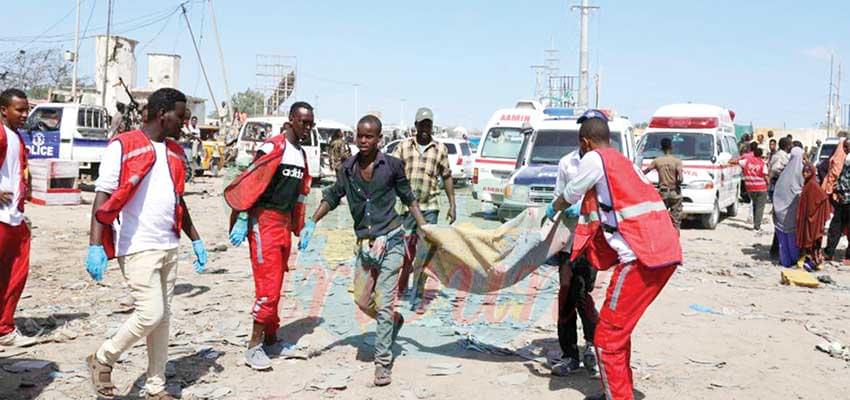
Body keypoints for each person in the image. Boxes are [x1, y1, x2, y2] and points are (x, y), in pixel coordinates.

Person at [544, 110, 681, 400]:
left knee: (606, 337)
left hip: (640, 260)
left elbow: (570, 193)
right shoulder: (622, 161)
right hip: (661, 254)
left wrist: (553, 208)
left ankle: (618, 396)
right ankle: (617, 390)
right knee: (619, 331)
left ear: (585, 142)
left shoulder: (594, 159)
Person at [85, 88, 208, 400]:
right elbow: (103, 196)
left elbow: (178, 200)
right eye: (180, 117)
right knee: (150, 313)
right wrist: (95, 245)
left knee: (163, 320)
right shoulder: (123, 146)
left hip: (168, 244)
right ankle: (104, 357)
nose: (184, 123)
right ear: (161, 114)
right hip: (137, 245)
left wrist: (195, 239)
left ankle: (155, 387)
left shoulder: (176, 152)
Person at [299, 115, 428, 387]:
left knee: (384, 302)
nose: (363, 141)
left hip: (392, 239)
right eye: (360, 135)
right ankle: (393, 321)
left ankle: (382, 363)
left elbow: (408, 198)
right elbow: (333, 195)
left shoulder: (392, 166)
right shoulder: (347, 168)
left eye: (369, 136)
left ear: (379, 139)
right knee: (361, 299)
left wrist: (424, 226)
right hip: (365, 245)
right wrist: (312, 220)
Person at [224, 102, 314, 370]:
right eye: (303, 122)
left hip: (283, 225)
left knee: (278, 284)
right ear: (291, 120)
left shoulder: (301, 155)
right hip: (263, 222)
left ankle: (272, 340)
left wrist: (300, 227)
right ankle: (253, 347)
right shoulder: (273, 147)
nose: (307, 127)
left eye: (311, 123)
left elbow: (299, 195)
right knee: (268, 286)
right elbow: (252, 183)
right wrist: (242, 217)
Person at [391, 107, 456, 296]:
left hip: (430, 207)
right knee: (406, 250)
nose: (425, 128)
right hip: (406, 207)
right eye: (422, 124)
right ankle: (402, 284)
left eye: (428, 124)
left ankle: (418, 290)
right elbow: (391, 171)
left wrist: (452, 204)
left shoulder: (440, 149)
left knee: (426, 251)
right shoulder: (403, 147)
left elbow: (447, 176)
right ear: (416, 126)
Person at [550, 149, 598, 377]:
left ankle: (592, 344)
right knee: (567, 295)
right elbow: (558, 195)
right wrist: (562, 207)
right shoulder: (566, 162)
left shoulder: (602, 162)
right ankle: (569, 354)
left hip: (591, 241)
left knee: (582, 294)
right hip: (568, 240)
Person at [0, 88, 37, 348]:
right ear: (4, 110)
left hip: (14, 217)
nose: (25, 114)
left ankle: (4, 327)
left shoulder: (16, 137)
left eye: (26, 110)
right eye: (19, 110)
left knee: (16, 274)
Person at [772, 147, 805, 268]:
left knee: (783, 239)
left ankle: (785, 261)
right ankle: (794, 261)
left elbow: (777, 192)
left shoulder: (784, 173)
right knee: (792, 238)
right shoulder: (801, 172)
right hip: (792, 212)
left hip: (780, 211)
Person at [796, 160, 832, 270]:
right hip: (808, 218)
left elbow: (823, 198)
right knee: (809, 239)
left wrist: (814, 214)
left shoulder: (813, 184)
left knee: (813, 239)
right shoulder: (807, 184)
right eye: (803, 171)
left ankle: (815, 262)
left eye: (807, 172)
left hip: (813, 219)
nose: (805, 174)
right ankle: (811, 261)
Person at [642, 137, 683, 230]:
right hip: (674, 193)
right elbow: (680, 178)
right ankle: (675, 238)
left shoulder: (657, 161)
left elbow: (645, 172)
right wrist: (677, 183)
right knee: (676, 220)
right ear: (671, 147)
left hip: (662, 193)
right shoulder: (677, 161)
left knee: (660, 217)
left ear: (661, 148)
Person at [824, 141, 850, 263]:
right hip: (843, 199)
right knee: (835, 227)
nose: (845, 149)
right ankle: (829, 252)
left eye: (847, 146)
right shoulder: (844, 159)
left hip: (845, 198)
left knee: (838, 227)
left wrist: (839, 189)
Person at [733, 145, 769, 231]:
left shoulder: (746, 161)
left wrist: (726, 163)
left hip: (750, 188)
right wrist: (768, 184)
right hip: (761, 188)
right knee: (760, 207)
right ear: (761, 155)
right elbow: (766, 176)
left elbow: (736, 162)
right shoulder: (762, 164)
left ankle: (755, 224)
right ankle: (757, 226)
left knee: (755, 205)